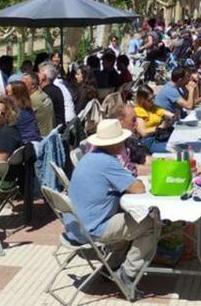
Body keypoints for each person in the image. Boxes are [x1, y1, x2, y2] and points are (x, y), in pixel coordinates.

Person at [65, 119, 160, 291]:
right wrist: (136, 181)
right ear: (116, 143)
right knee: (149, 224)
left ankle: (111, 266)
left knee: (128, 221)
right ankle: (128, 274)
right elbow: (137, 188)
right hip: (92, 228)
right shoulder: (108, 163)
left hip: (74, 225)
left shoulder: (90, 157)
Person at [133, 85, 175, 153]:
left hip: (161, 136)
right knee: (175, 149)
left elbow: (164, 112)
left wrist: (173, 116)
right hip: (150, 141)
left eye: (153, 98)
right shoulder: (139, 112)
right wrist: (160, 127)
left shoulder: (152, 107)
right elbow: (143, 133)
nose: (153, 101)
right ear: (141, 100)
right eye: (149, 100)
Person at [23, 71, 54, 136]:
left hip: (40, 138)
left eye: (23, 84)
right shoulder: (43, 95)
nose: (21, 86)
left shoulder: (32, 100)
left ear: (33, 85)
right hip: (49, 134)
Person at [38, 62, 66, 129]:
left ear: (43, 76)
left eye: (39, 72)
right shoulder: (55, 89)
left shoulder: (47, 93)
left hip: (54, 130)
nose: (37, 75)